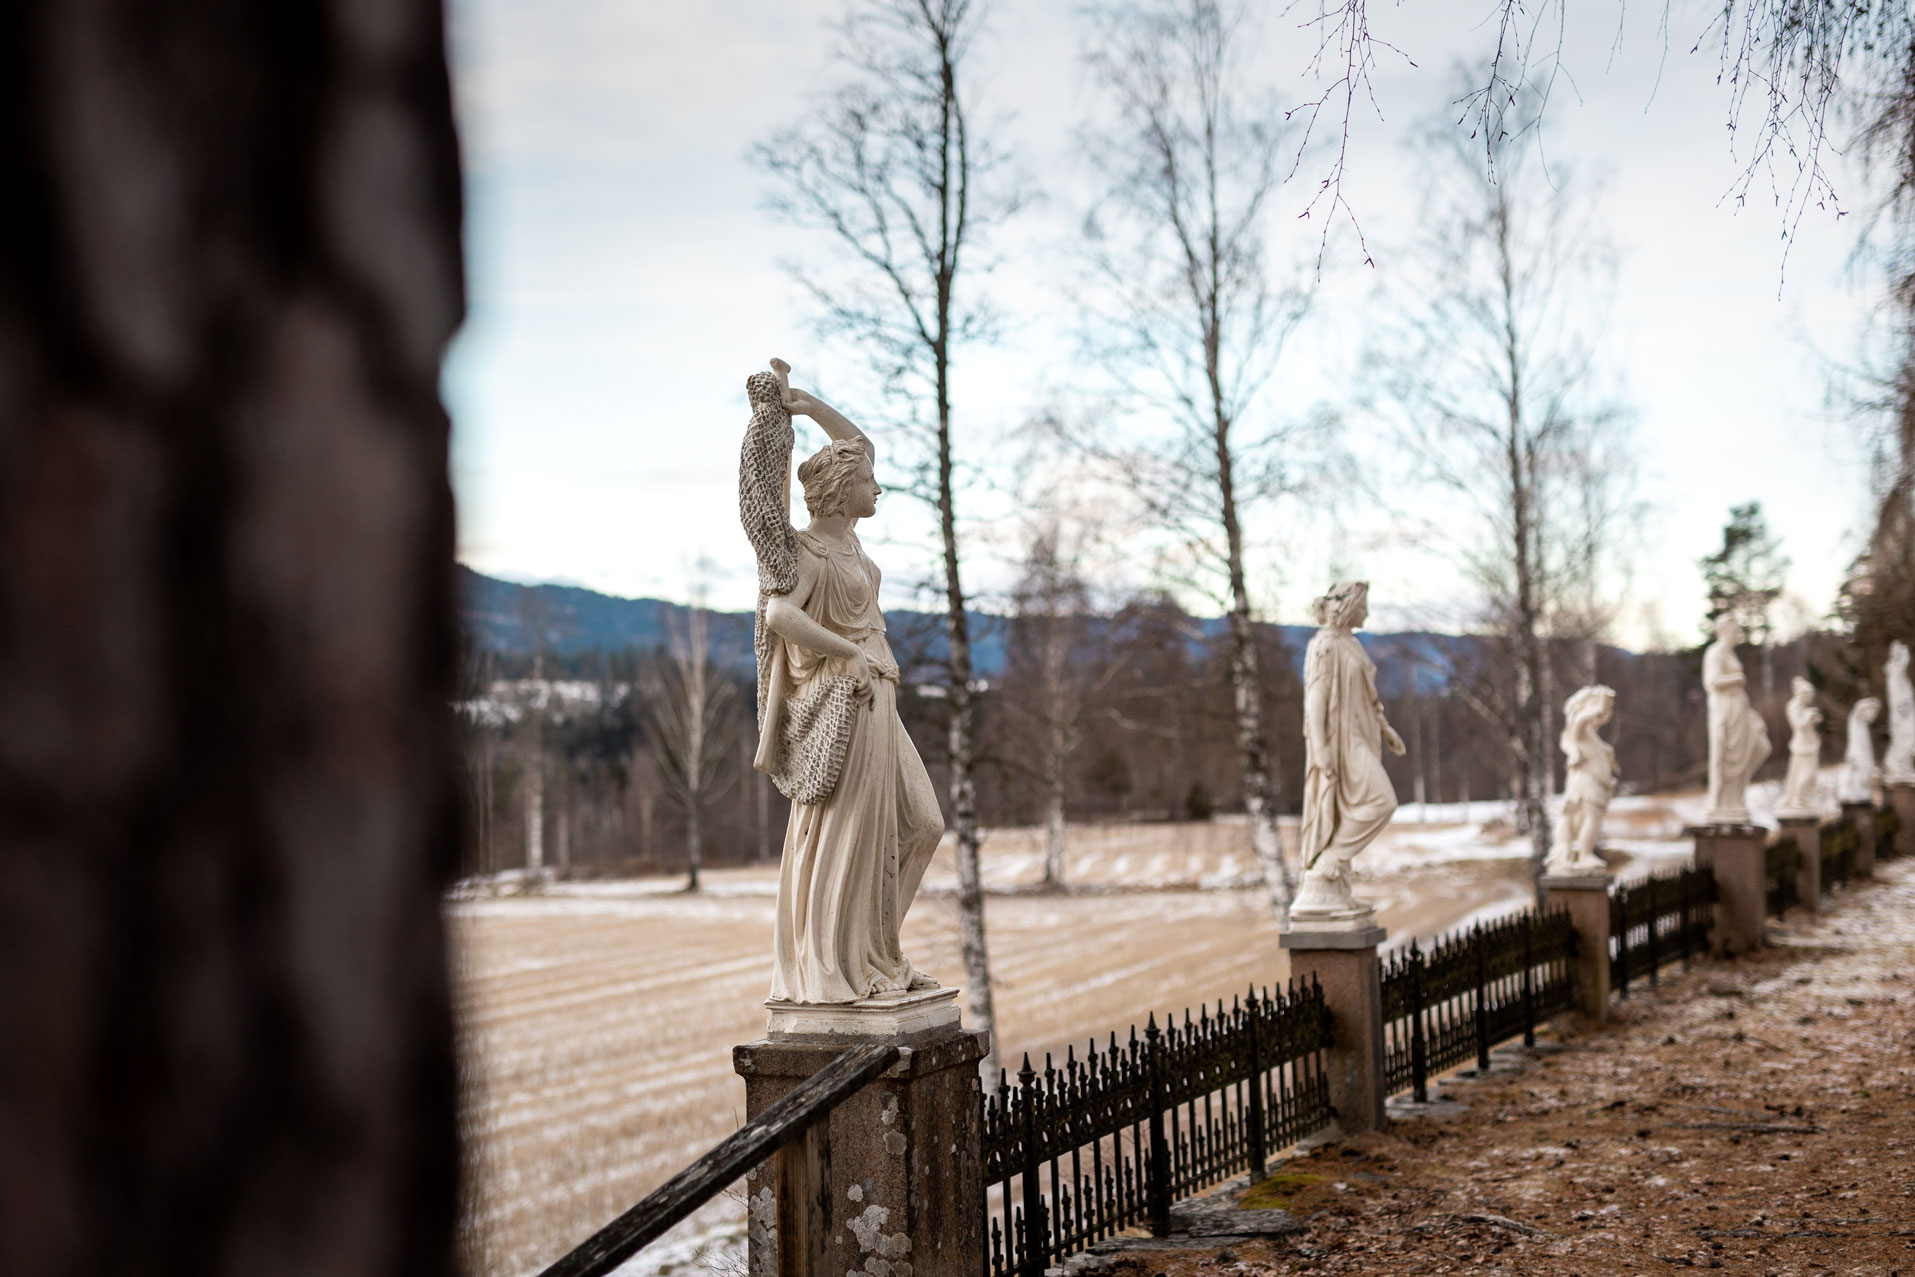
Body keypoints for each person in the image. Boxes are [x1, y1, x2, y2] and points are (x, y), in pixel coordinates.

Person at [739, 364, 943, 1003]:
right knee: (852, 837)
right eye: (866, 481)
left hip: (879, 695)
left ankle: (879, 951)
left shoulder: (851, 545)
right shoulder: (809, 552)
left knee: (922, 825)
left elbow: (862, 445)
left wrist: (807, 405)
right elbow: (780, 614)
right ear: (839, 492)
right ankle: (845, 963)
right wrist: (847, 652)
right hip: (846, 702)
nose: (877, 486)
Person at [1292, 581, 1405, 921]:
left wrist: (1385, 729)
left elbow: (1369, 697)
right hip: (1342, 742)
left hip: (1361, 736)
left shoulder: (1351, 644)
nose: (1366, 613)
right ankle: (1330, 859)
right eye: (1363, 606)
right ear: (1349, 607)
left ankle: (1336, 881)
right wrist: (1321, 749)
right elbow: (1315, 699)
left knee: (1355, 808)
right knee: (1382, 801)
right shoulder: (1325, 646)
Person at [1703, 615, 1771, 824]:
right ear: (1723, 631)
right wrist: (1736, 679)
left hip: (1739, 708)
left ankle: (1735, 796)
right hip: (1725, 709)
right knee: (1726, 757)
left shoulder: (1729, 653)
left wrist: (1750, 712)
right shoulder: (1715, 652)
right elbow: (1712, 681)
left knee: (1761, 747)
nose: (1738, 635)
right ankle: (1724, 802)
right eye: (1734, 631)